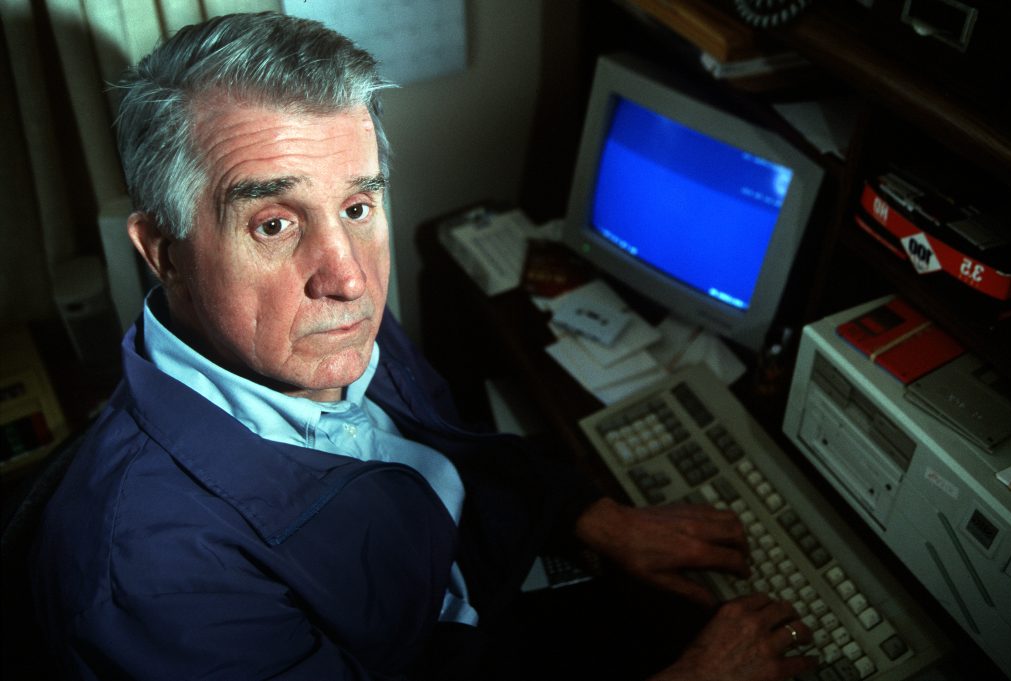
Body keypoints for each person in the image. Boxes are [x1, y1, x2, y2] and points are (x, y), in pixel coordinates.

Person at [31, 12, 817, 681]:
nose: (347, 279)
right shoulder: (155, 576)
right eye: (274, 224)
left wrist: (589, 515)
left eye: (358, 205)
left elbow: (457, 448)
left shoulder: (307, 332)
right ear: (163, 251)